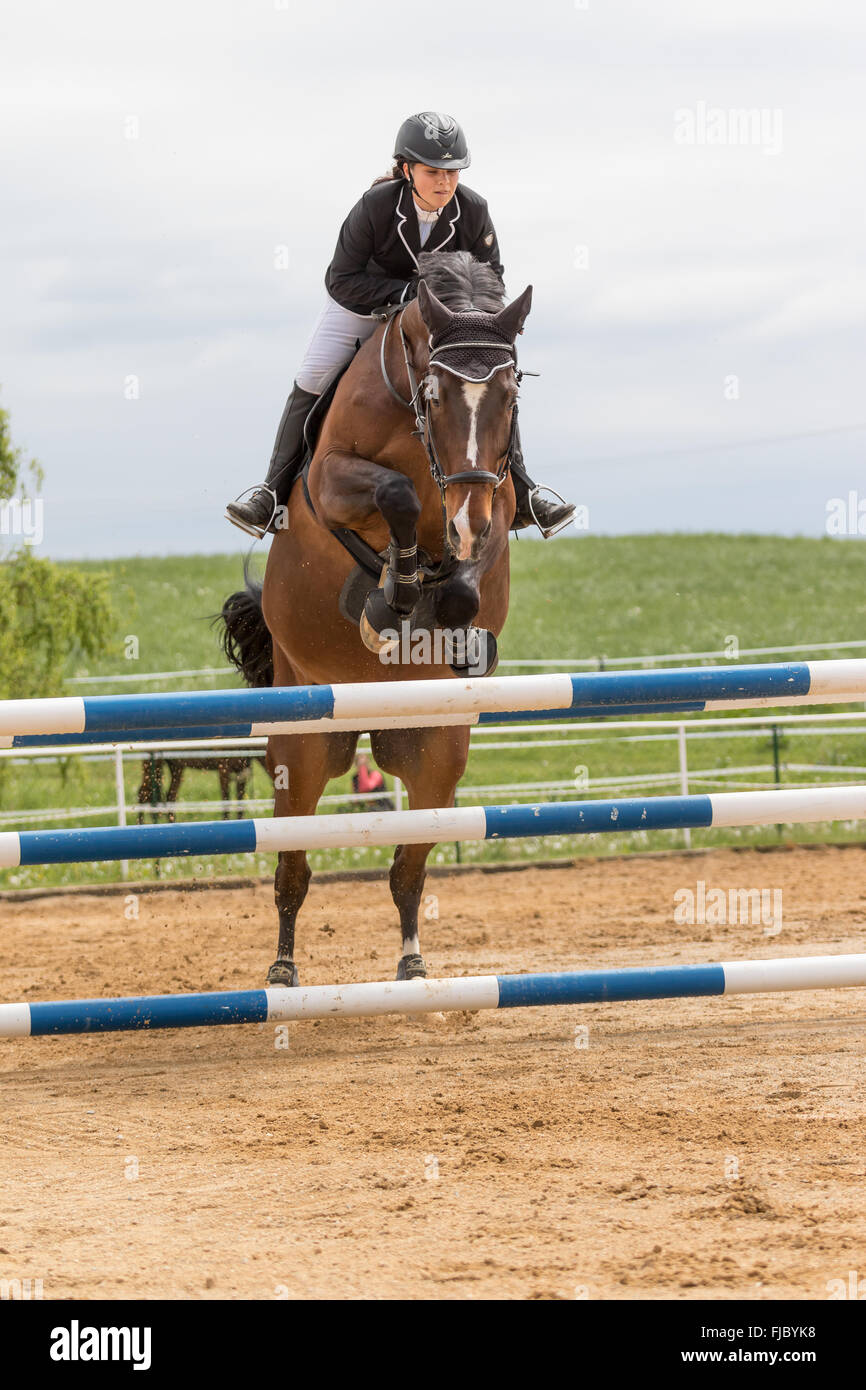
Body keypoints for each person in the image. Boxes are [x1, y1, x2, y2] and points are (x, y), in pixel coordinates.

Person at [226, 111, 576, 540]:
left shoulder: (473, 211)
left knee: (493, 378)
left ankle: (523, 490)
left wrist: (464, 318)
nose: (445, 183)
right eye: (433, 172)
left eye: (452, 173)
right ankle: (272, 494)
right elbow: (341, 279)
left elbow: (492, 280)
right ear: (408, 170)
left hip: (441, 319)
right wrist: (407, 296)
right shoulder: (376, 207)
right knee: (314, 374)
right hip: (362, 306)